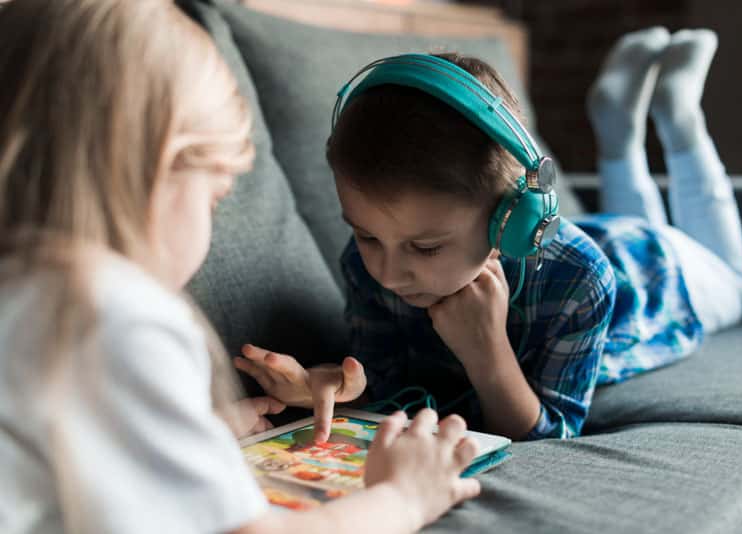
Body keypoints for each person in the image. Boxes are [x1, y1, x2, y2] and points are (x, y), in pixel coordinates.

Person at [0, 1, 480, 533]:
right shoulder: (111, 313)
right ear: (161, 168)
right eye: (215, 198)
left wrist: (192, 437)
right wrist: (406, 498)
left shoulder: (25, 296)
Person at [236, 29, 742, 443]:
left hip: (658, 272)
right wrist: (330, 383)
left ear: (512, 220)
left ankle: (679, 116)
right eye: (368, 237)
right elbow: (389, 385)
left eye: (425, 247)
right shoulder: (371, 260)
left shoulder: (583, 281)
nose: (386, 272)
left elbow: (549, 435)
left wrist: (488, 351)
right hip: (599, 238)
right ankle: (619, 126)